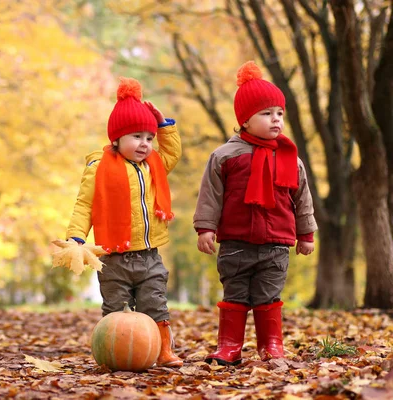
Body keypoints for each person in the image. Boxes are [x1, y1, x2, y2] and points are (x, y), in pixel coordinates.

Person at [193, 61, 318, 366]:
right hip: (236, 243)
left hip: (276, 243)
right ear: (245, 120)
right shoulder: (225, 156)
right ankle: (230, 345)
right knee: (235, 293)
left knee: (268, 294)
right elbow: (211, 194)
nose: (276, 120)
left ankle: (271, 344)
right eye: (266, 114)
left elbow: (302, 198)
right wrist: (205, 228)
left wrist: (306, 233)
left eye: (279, 114)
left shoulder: (290, 157)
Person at [66, 77, 183, 368]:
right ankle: (114, 352)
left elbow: (173, 153)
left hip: (149, 256)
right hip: (114, 257)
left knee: (155, 304)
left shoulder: (154, 164)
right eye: (136, 137)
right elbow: (85, 205)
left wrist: (164, 125)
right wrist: (76, 237)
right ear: (116, 139)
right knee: (116, 307)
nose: (145, 144)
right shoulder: (99, 168)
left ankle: (162, 350)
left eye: (149, 137)